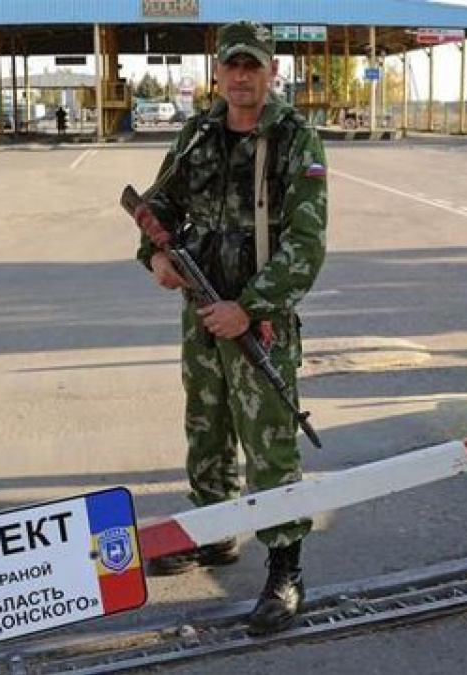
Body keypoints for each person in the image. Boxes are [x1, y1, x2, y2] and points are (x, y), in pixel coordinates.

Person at [132, 21, 328, 635]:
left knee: (269, 438)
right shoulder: (197, 135)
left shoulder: (296, 139)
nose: (242, 77)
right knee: (208, 426)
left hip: (256, 318)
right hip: (200, 309)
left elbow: (306, 241)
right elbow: (157, 207)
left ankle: (285, 565)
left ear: (272, 71)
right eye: (232, 67)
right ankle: (211, 532)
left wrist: (251, 306)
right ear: (217, 72)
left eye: (254, 66)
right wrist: (158, 258)